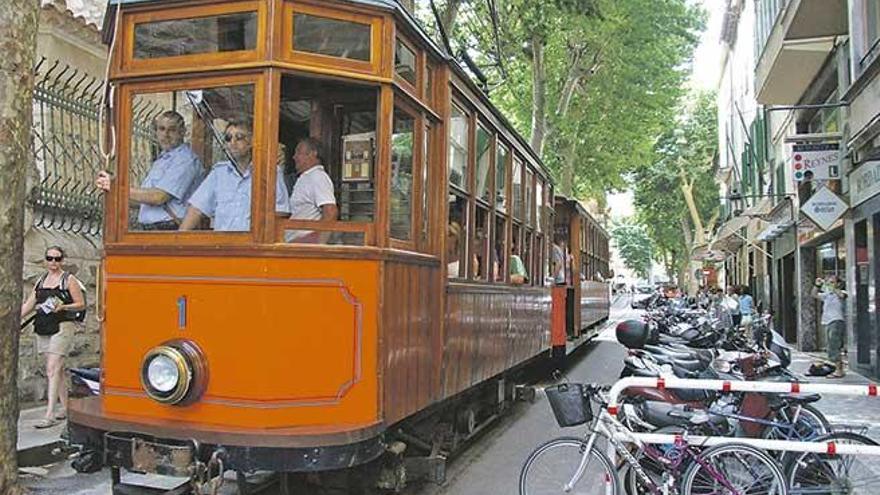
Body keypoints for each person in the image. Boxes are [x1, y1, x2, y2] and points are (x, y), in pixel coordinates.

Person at [95, 111, 203, 230]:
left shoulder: (185, 160)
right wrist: (113, 190)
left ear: (182, 132)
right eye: (161, 129)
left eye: (172, 130)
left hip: (168, 229)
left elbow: (158, 197)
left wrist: (117, 188)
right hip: (152, 229)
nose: (165, 135)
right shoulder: (163, 159)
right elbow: (145, 201)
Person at [180, 119, 290, 231]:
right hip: (224, 244)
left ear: (252, 141)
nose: (232, 143)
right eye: (228, 138)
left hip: (253, 245)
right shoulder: (219, 173)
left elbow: (280, 212)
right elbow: (197, 209)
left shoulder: (270, 171)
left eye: (239, 137)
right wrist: (178, 240)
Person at [20, 246, 85, 429]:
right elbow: (29, 305)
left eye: (57, 259)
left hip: (63, 326)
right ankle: (65, 408)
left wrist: (63, 307)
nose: (53, 263)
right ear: (45, 260)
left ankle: (49, 413)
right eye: (50, 259)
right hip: (44, 326)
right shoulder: (41, 281)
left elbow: (80, 304)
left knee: (52, 368)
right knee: (58, 370)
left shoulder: (68, 280)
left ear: (62, 260)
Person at [285, 137, 339, 243]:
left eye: (298, 152)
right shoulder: (307, 177)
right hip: (295, 244)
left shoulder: (318, 177)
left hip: (305, 245)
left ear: (313, 154)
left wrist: (318, 243)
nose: (294, 157)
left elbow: (330, 212)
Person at [812, 275, 847, 378]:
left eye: (832, 282)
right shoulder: (828, 295)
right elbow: (814, 294)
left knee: (834, 346)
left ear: (838, 284)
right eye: (828, 282)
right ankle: (837, 368)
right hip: (827, 321)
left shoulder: (842, 292)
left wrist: (832, 287)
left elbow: (841, 295)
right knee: (831, 346)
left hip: (836, 321)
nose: (829, 284)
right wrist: (817, 285)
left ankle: (839, 370)